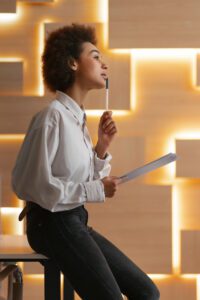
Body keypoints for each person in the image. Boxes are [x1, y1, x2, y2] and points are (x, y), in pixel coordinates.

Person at [11, 23, 160, 300]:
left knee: (147, 292)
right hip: (51, 224)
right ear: (72, 63)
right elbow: (30, 185)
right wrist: (97, 189)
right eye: (95, 56)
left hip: (74, 220)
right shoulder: (51, 118)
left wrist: (101, 149)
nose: (104, 65)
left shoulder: (77, 120)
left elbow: (80, 180)